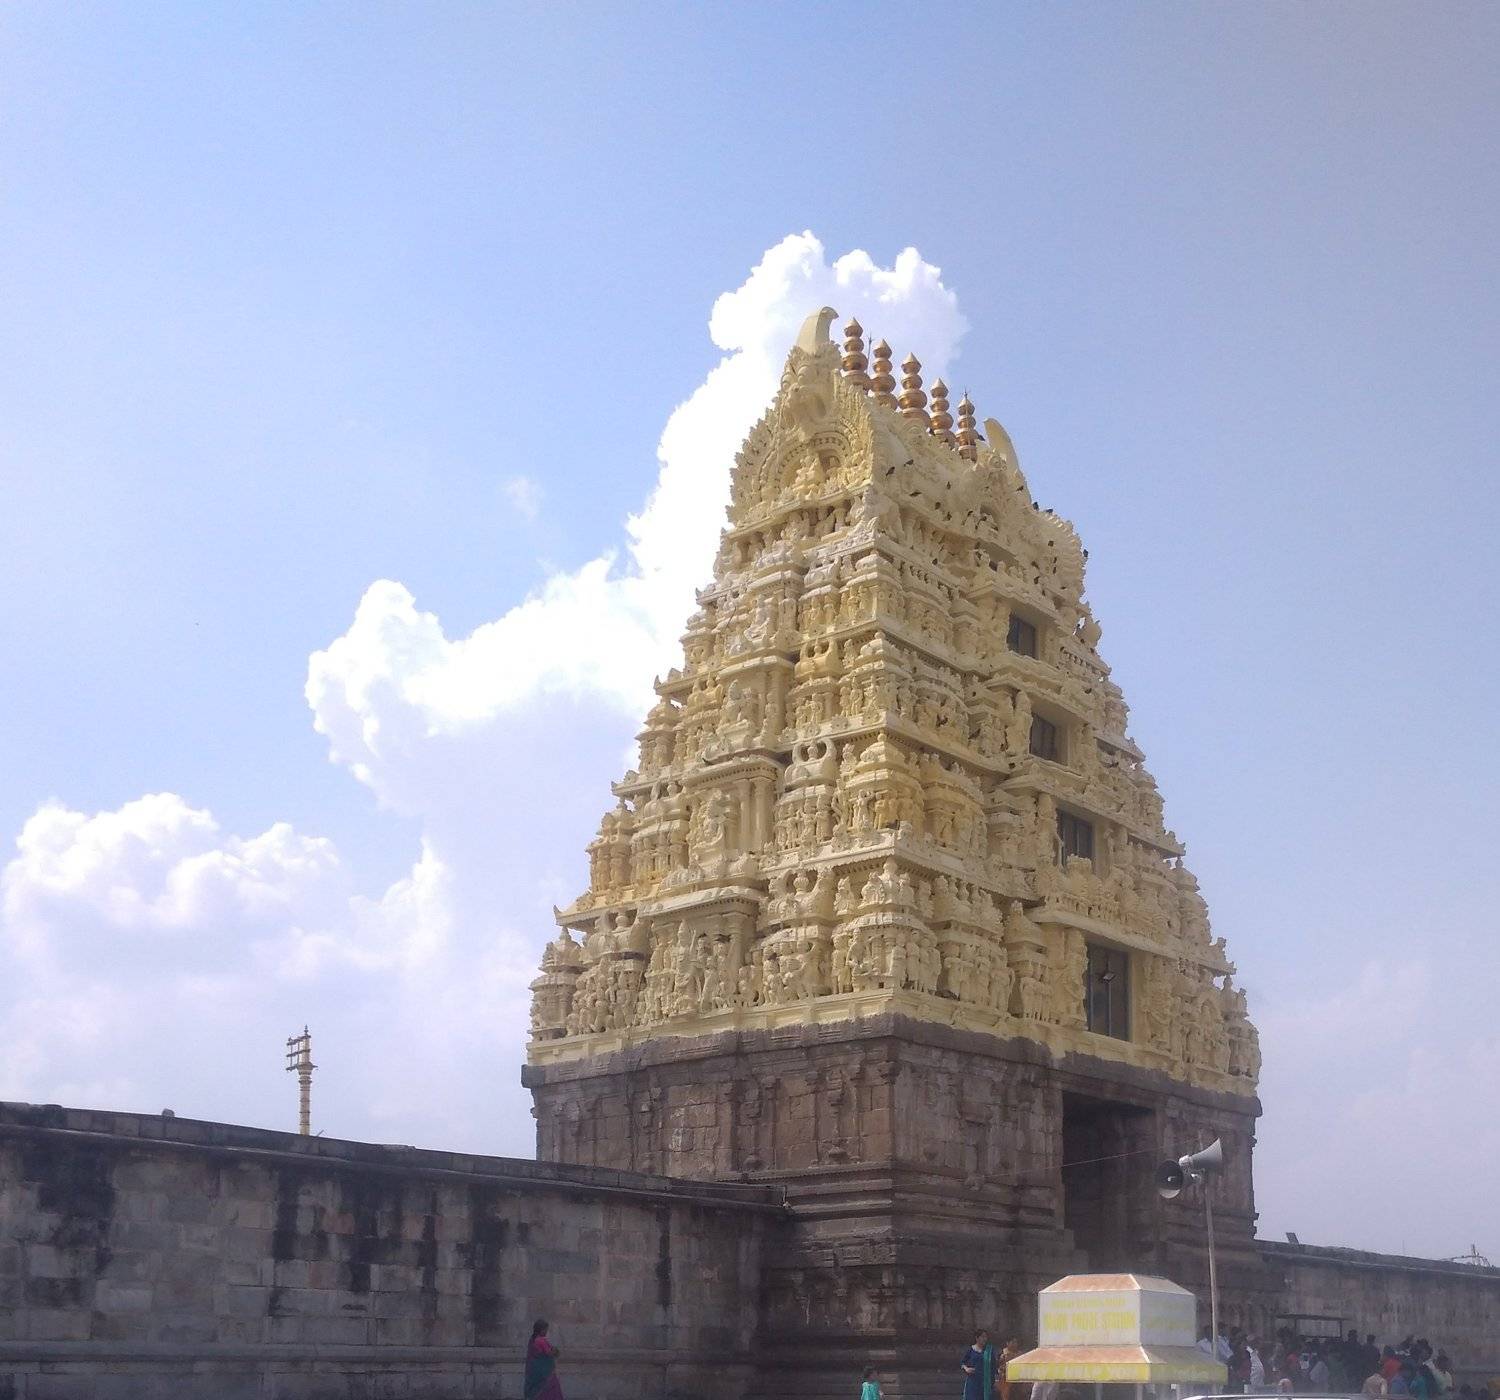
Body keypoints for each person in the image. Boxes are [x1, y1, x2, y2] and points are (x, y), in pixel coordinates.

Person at [524, 1319, 564, 1400]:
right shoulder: (541, 1340)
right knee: (550, 1390)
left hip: (536, 1373)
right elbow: (549, 1353)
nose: (546, 1331)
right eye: (545, 1329)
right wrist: (555, 1351)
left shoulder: (532, 1340)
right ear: (541, 1330)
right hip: (545, 1373)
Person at [963, 1329, 990, 1400]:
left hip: (984, 1381)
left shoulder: (988, 1351)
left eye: (986, 1337)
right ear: (977, 1338)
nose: (985, 1339)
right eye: (983, 1337)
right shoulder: (971, 1350)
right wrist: (966, 1369)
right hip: (973, 1380)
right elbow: (963, 1363)